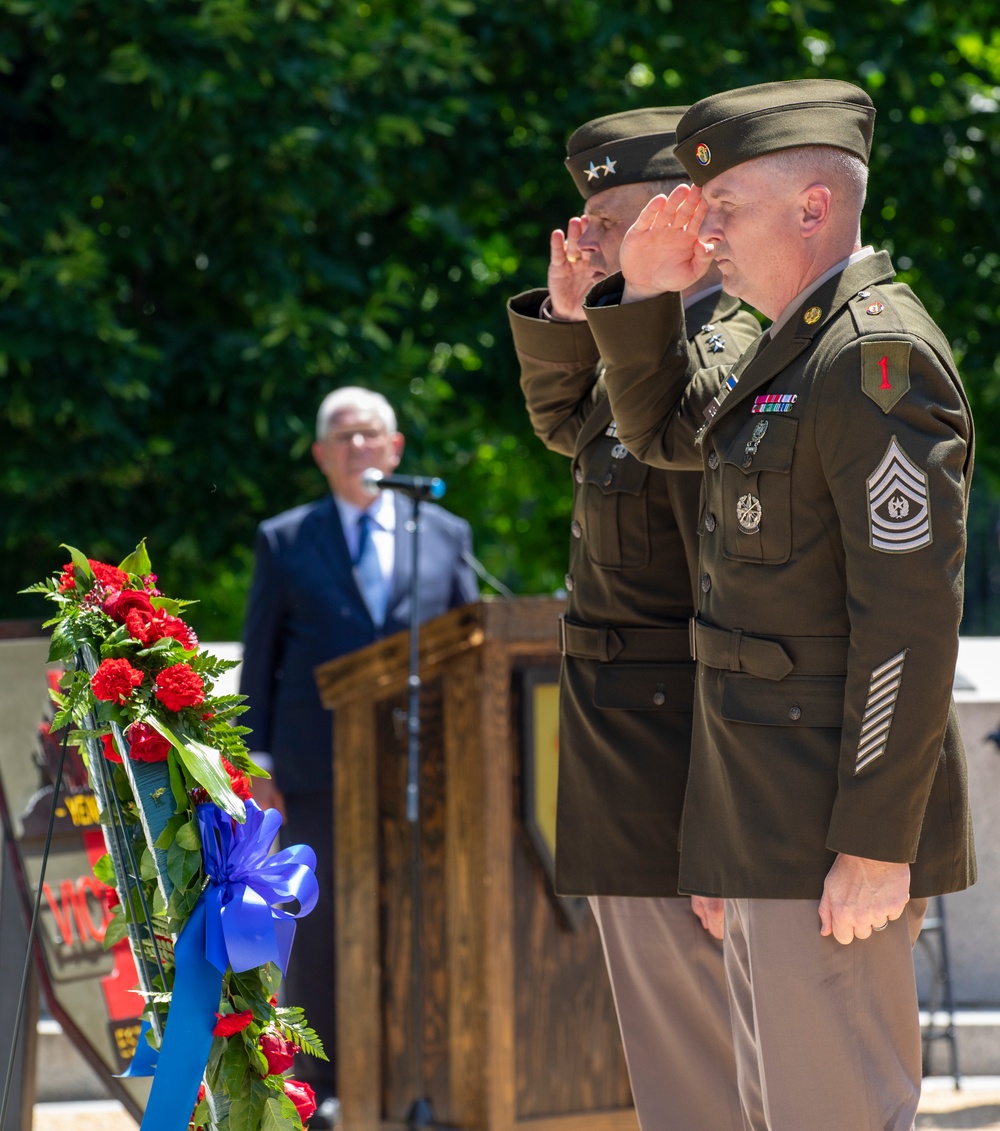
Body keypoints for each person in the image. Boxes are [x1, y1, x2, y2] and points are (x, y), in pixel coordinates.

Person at [583, 80, 976, 1131]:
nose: (700, 234)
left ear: (813, 208)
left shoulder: (873, 360)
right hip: (758, 809)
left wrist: (875, 840)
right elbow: (664, 435)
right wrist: (644, 301)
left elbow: (907, 621)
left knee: (831, 1111)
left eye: (723, 211)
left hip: (825, 821)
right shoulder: (778, 344)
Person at [507, 108, 760, 1130]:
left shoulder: (716, 353)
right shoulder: (650, 347)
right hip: (635, 751)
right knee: (674, 1072)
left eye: (604, 224)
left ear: (685, 220)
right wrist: (574, 320)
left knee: (706, 1074)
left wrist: (720, 831)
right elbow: (580, 436)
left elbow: (733, 605)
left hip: (679, 767)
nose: (583, 245)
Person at [239, 386, 478, 1127]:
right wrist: (259, 761)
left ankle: (423, 1083)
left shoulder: (445, 532)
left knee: (426, 924)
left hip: (430, 771)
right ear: (320, 455)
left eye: (370, 435)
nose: (357, 449)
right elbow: (260, 657)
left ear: (396, 448)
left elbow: (474, 647)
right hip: (318, 773)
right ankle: (325, 1094)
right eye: (341, 438)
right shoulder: (285, 538)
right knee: (325, 934)